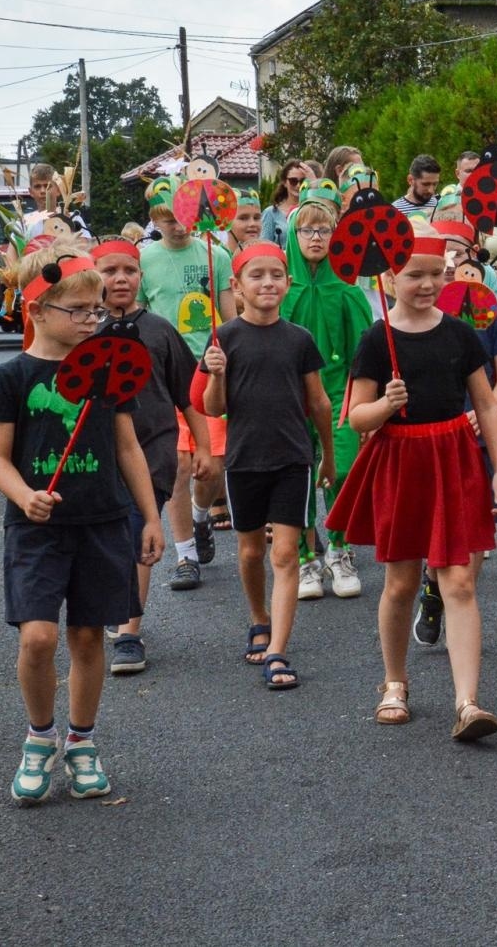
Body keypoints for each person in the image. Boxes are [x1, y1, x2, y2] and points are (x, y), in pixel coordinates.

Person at [0, 242, 163, 803]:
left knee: (87, 636)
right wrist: (25, 495)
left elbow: (128, 448)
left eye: (97, 310)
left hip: (103, 522)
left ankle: (82, 742)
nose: (91, 320)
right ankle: (40, 738)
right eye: (78, 310)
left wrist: (151, 518)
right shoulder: (10, 377)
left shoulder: (107, 370)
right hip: (36, 529)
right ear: (36, 310)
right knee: (37, 638)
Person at [326, 235, 497, 741]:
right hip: (401, 462)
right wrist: (386, 405)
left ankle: (468, 702)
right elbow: (356, 416)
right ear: (388, 279)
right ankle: (394, 681)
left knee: (460, 581)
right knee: (402, 583)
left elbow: (487, 404)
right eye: (414, 275)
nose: (428, 283)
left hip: (452, 459)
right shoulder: (375, 339)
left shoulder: (459, 334)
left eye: (436, 273)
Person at [202, 244, 334, 690]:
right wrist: (217, 373)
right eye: (256, 276)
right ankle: (258, 617)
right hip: (243, 460)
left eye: (276, 275)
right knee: (251, 551)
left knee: (284, 554)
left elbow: (318, 402)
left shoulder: (299, 338)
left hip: (293, 459)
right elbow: (213, 407)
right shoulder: (224, 338)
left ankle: (278, 648)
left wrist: (329, 455)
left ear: (288, 282)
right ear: (237, 288)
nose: (268, 283)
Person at [92, 239, 210, 676]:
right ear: (94, 275)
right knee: (106, 539)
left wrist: (204, 448)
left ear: (142, 276)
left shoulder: (160, 330)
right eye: (109, 271)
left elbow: (189, 396)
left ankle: (129, 633)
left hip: (154, 450)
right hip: (99, 455)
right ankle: (117, 602)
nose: (120, 279)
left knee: (139, 533)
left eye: (129, 270)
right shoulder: (86, 332)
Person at [410, 219, 497, 649]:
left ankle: (458, 594)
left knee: (478, 528)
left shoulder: (486, 307)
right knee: (434, 523)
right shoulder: (422, 312)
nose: (453, 262)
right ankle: (436, 586)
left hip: (476, 437)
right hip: (433, 438)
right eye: (445, 254)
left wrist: (483, 408)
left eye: (458, 251)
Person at [280, 182, 374, 601]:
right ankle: (305, 558)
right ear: (293, 236)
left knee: (344, 469)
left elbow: (362, 356)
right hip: (291, 397)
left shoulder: (349, 289)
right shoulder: (282, 290)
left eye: (324, 231)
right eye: (307, 231)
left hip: (339, 394)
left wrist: (364, 408)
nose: (315, 239)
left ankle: (339, 548)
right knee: (298, 476)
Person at [138, 180, 233, 591]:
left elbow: (230, 318)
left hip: (210, 371)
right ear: (154, 220)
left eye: (181, 218)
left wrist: (233, 358)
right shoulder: (145, 259)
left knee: (212, 464)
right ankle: (185, 555)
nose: (177, 226)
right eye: (166, 220)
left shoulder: (217, 254)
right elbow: (139, 317)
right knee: (177, 464)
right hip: (165, 373)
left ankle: (199, 517)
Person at [392, 154, 441, 219]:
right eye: (426, 184)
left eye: (435, 184)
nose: (431, 191)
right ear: (410, 180)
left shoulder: (439, 205)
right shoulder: (395, 211)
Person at [224, 189, 265, 254]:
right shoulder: (217, 258)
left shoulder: (265, 257)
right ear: (226, 222)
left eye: (256, 218)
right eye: (243, 218)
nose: (252, 223)